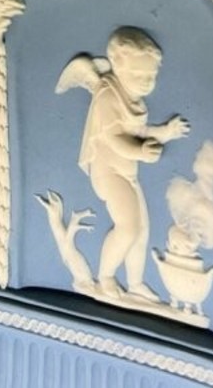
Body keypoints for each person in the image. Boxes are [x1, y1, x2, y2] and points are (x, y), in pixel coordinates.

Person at [73, 27, 189, 300]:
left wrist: (165, 132)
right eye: (138, 75)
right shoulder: (108, 96)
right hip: (109, 173)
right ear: (116, 65)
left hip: (126, 173)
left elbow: (138, 130)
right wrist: (140, 152)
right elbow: (114, 138)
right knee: (128, 228)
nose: (146, 82)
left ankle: (135, 283)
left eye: (151, 76)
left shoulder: (131, 97)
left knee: (142, 230)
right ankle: (105, 277)